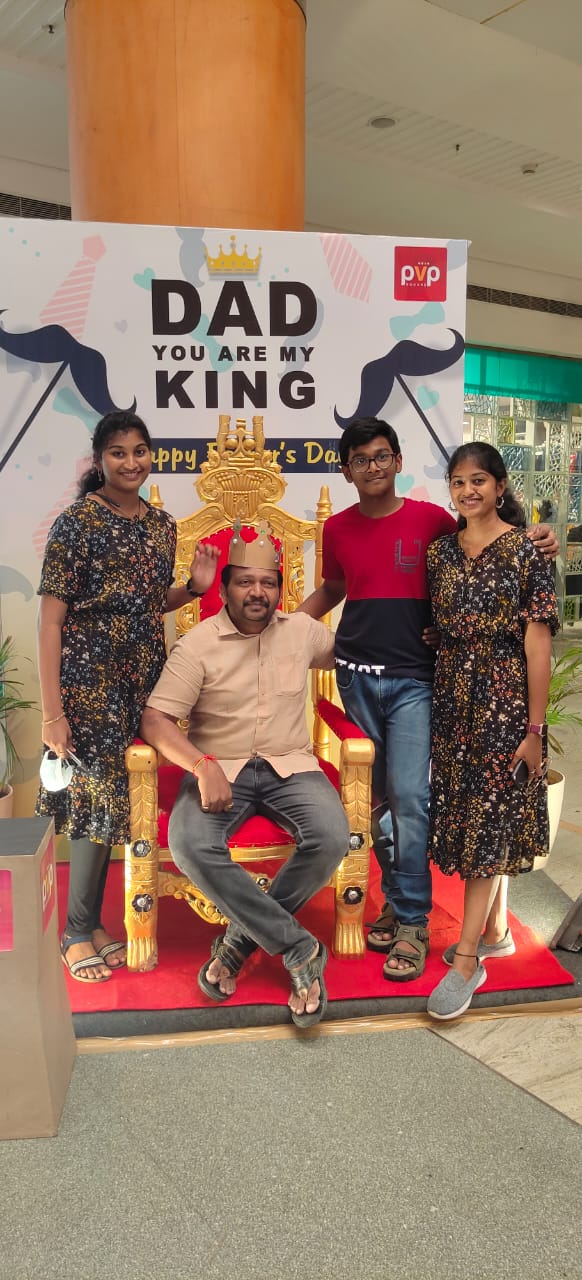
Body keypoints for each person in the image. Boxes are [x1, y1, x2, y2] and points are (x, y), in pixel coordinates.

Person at [298, 416, 559, 982]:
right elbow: (336, 588)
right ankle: (399, 901)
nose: (373, 466)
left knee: (413, 797)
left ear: (397, 461)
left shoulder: (432, 522)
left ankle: (414, 920)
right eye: (361, 459)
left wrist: (539, 536)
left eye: (381, 455)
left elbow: (489, 542)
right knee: (377, 803)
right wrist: (284, 627)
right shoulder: (337, 529)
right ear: (346, 471)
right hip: (355, 679)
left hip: (417, 682)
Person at [139, 521, 349, 1029]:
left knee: (331, 835)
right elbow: (155, 718)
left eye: (268, 583)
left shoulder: (301, 631)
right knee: (189, 844)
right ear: (226, 587)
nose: (258, 592)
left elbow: (359, 648)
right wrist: (200, 765)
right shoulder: (198, 644)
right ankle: (299, 947)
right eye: (245, 582)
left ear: (280, 588)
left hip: (290, 765)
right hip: (219, 769)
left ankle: (236, 943)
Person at [36, 410, 219, 983]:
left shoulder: (161, 525)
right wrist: (52, 712)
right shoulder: (77, 523)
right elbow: (50, 621)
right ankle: (74, 933)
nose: (131, 462)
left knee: (122, 800)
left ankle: (91, 926)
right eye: (118, 452)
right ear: (100, 459)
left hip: (142, 677)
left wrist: (192, 588)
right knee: (96, 801)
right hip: (88, 680)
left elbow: (144, 601)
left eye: (140, 451)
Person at [425, 443, 559, 1020]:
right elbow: (438, 623)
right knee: (470, 815)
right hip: (452, 699)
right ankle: (493, 932)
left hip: (504, 702)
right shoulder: (439, 553)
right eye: (458, 482)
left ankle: (466, 961)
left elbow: (538, 644)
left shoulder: (528, 551)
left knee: (485, 820)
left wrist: (535, 729)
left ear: (500, 487)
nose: (468, 491)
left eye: (478, 480)